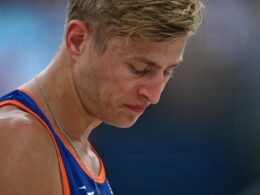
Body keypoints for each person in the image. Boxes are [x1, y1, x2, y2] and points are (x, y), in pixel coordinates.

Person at [0, 0, 204, 194]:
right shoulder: (20, 141)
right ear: (78, 40)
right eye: (139, 69)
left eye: (168, 72)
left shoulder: (84, 154)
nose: (154, 95)